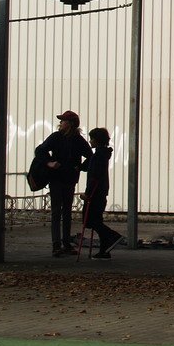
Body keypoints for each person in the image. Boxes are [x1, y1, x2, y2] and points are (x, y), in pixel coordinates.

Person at [34, 110, 93, 257]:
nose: (60, 123)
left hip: (67, 179)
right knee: (59, 211)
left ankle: (64, 244)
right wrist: (49, 162)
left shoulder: (76, 140)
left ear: (70, 124)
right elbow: (40, 150)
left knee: (65, 212)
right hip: (59, 178)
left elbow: (90, 157)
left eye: (63, 121)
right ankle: (58, 245)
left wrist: (79, 167)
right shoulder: (58, 137)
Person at [80, 127, 123, 259]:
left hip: (95, 193)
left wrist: (88, 194)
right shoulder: (102, 154)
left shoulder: (98, 156)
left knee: (90, 220)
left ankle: (113, 236)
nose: (90, 141)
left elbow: (94, 176)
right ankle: (105, 250)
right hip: (101, 192)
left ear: (97, 140)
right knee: (96, 220)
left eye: (92, 138)